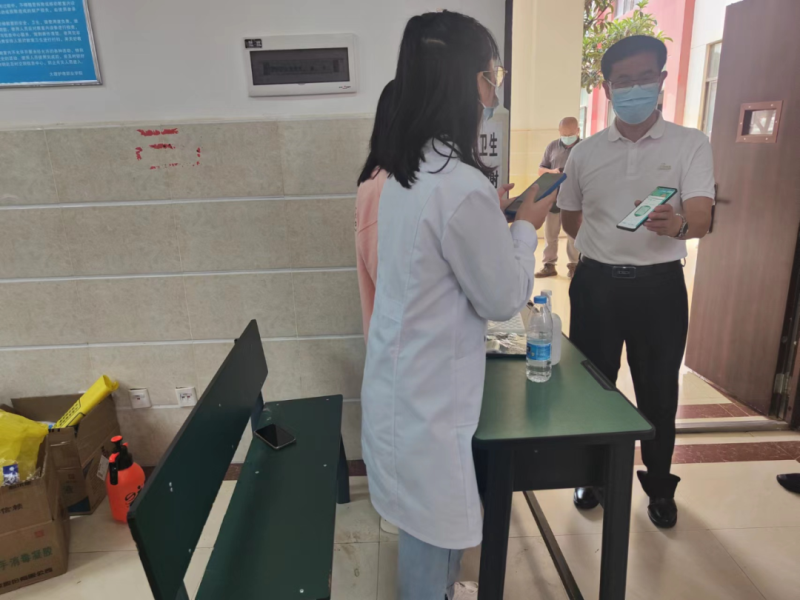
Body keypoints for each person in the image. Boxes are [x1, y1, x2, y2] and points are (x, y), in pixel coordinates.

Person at [360, 11, 554, 600]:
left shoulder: (408, 170)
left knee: (429, 523)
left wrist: (499, 224)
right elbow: (501, 298)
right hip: (426, 402)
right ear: (471, 82)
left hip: (406, 387)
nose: (494, 92)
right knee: (430, 529)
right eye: (492, 76)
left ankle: (442, 591)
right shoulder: (458, 183)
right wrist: (526, 226)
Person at [558, 35, 715, 529]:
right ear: (607, 88)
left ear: (662, 80)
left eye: (644, 78)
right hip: (596, 287)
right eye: (623, 81)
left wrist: (679, 226)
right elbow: (571, 219)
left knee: (658, 392)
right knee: (592, 389)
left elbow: (703, 217)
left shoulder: (690, 143)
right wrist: (605, 250)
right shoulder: (584, 152)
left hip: (659, 290)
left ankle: (660, 487)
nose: (634, 89)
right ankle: (591, 477)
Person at [536, 117, 581, 279]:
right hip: (553, 197)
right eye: (564, 134)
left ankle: (574, 265)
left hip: (575, 199)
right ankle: (549, 265)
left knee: (573, 234)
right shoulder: (552, 146)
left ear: (578, 131)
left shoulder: (584, 148)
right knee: (550, 234)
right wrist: (553, 172)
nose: (567, 138)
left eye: (570, 134)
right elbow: (541, 170)